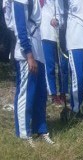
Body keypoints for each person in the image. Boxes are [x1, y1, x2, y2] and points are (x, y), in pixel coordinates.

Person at [11, 0, 54, 146]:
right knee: (26, 93)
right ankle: (24, 134)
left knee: (40, 94)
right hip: (26, 52)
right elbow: (20, 25)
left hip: (38, 50)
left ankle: (41, 130)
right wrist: (28, 54)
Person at [40, 0, 68, 106]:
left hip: (62, 33)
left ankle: (63, 92)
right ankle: (53, 94)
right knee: (50, 65)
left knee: (63, 65)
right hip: (47, 31)